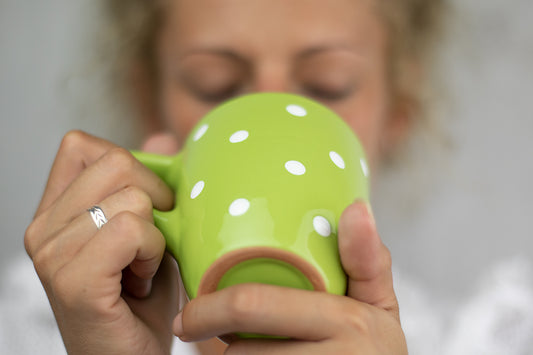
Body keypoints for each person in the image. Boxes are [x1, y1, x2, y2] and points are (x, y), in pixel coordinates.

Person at [23, 0, 445, 353]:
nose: (271, 125)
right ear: (150, 102)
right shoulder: (29, 330)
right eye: (217, 86)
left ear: (397, 113)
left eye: (326, 86)